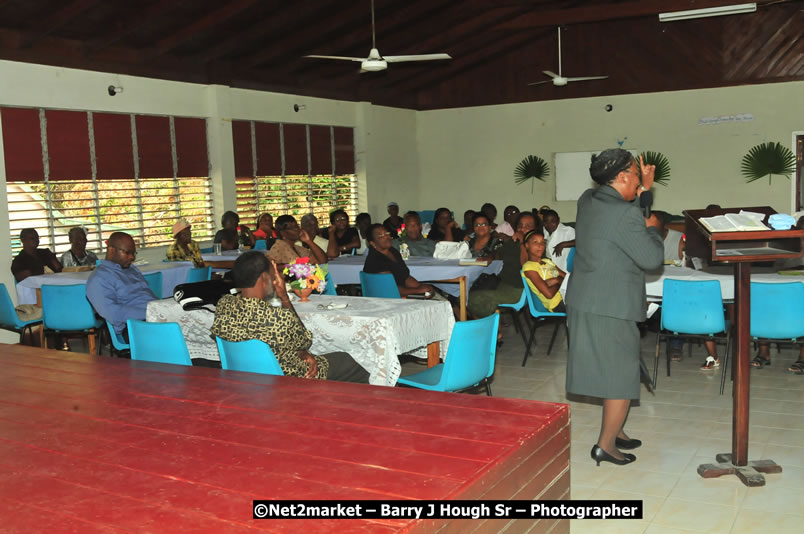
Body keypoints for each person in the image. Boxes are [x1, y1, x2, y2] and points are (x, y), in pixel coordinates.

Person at [565, 149, 664, 467]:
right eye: (635, 174)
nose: (638, 179)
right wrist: (654, 230)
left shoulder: (586, 200)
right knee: (621, 375)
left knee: (614, 368)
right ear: (622, 176)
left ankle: (616, 430)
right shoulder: (625, 216)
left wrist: (644, 191)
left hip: (585, 299)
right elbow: (651, 258)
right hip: (611, 305)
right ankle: (605, 446)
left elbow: (627, 213)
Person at [211, 252, 369, 383]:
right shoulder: (278, 317)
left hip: (243, 375)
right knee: (348, 360)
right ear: (265, 279)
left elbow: (290, 343)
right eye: (273, 276)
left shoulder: (224, 304)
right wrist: (284, 298)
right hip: (287, 377)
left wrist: (301, 351)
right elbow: (306, 341)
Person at [467, 212, 537, 320]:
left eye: (527, 226)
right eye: (520, 226)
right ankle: (490, 327)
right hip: (502, 283)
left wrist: (523, 242)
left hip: (518, 289)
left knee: (473, 298)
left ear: (535, 229)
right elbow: (499, 253)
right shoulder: (514, 242)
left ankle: (493, 330)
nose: (522, 229)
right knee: (463, 295)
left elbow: (526, 265)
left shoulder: (537, 245)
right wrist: (490, 257)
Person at [86, 232, 156, 339]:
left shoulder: (131, 269)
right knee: (179, 334)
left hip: (155, 316)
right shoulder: (99, 278)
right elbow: (114, 314)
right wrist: (152, 312)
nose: (132, 257)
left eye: (133, 253)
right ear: (111, 250)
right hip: (134, 326)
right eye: (127, 252)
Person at [363, 224, 436, 298]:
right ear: (373, 243)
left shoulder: (393, 251)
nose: (387, 237)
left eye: (386, 233)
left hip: (400, 294)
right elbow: (390, 288)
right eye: (381, 236)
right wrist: (417, 291)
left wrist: (421, 287)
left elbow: (404, 277)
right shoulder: (375, 259)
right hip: (385, 299)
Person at [522, 229, 565, 312]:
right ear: (527, 245)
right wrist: (558, 279)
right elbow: (549, 294)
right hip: (557, 303)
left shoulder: (548, 261)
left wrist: (556, 281)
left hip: (567, 294)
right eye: (535, 242)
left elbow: (567, 278)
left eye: (542, 243)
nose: (540, 246)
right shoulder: (529, 267)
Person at [542, 209, 576, 273]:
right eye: (546, 222)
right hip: (550, 267)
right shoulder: (545, 230)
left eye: (553, 221)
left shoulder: (567, 231)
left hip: (564, 268)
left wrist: (562, 245)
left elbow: (581, 241)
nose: (549, 224)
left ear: (558, 220)